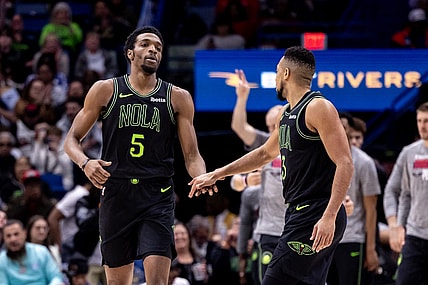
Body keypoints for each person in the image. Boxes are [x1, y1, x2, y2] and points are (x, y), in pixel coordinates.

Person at [189, 46, 354, 284]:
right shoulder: (286, 113)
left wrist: (329, 215)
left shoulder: (319, 107)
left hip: (315, 214)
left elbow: (345, 163)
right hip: (301, 213)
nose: (276, 77)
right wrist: (219, 173)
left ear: (286, 74)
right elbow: (265, 153)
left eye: (277, 72)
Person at [63, 26, 208, 285]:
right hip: (116, 194)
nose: (153, 49)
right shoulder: (106, 90)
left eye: (159, 47)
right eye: (145, 44)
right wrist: (85, 163)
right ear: (130, 53)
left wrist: (202, 177)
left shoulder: (178, 97)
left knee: (157, 281)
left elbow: (192, 155)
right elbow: (71, 140)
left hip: (157, 195)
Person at [326, 118, 380, 285]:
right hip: (324, 239)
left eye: (344, 128)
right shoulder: (323, 157)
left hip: (352, 238)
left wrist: (371, 249)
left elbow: (371, 210)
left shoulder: (364, 162)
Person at [383, 102, 428, 284]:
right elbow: (394, 191)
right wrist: (395, 225)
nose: (422, 125)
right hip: (415, 236)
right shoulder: (409, 153)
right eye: (419, 120)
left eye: (426, 121)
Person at [0, 219, 64, 285]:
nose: (13, 239)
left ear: (24, 234)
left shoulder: (41, 251)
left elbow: (56, 277)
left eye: (16, 234)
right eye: (8, 236)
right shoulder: (1, 260)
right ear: (4, 238)